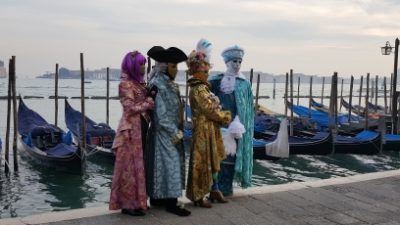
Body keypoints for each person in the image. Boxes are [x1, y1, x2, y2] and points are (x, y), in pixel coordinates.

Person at [145, 46, 191, 217]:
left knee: (167, 166)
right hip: (162, 134)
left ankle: (159, 198)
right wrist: (175, 131)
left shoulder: (170, 84)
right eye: (173, 66)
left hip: (173, 132)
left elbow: (176, 108)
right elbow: (159, 114)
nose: (176, 70)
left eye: (177, 66)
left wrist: (183, 125)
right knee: (168, 165)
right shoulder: (157, 84)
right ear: (164, 67)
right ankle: (171, 202)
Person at [185, 39, 232, 208]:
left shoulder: (203, 87)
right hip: (202, 130)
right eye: (204, 68)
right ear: (197, 69)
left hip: (210, 129)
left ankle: (214, 190)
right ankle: (197, 196)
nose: (207, 70)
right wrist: (224, 116)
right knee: (201, 162)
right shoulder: (198, 88)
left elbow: (212, 105)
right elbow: (209, 109)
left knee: (213, 161)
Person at [109, 51, 154, 216]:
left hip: (141, 128)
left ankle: (139, 202)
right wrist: (148, 102)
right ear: (132, 66)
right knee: (129, 168)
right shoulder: (125, 84)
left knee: (139, 167)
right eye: (141, 64)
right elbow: (129, 108)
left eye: (144, 63)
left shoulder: (139, 84)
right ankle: (127, 205)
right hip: (130, 130)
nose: (144, 66)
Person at [208, 44, 255, 196]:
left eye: (239, 61)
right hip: (219, 126)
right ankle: (214, 189)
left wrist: (244, 125)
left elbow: (248, 108)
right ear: (227, 62)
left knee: (231, 158)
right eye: (234, 61)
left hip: (237, 128)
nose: (237, 64)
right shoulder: (216, 80)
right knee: (217, 158)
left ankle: (226, 189)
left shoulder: (244, 83)